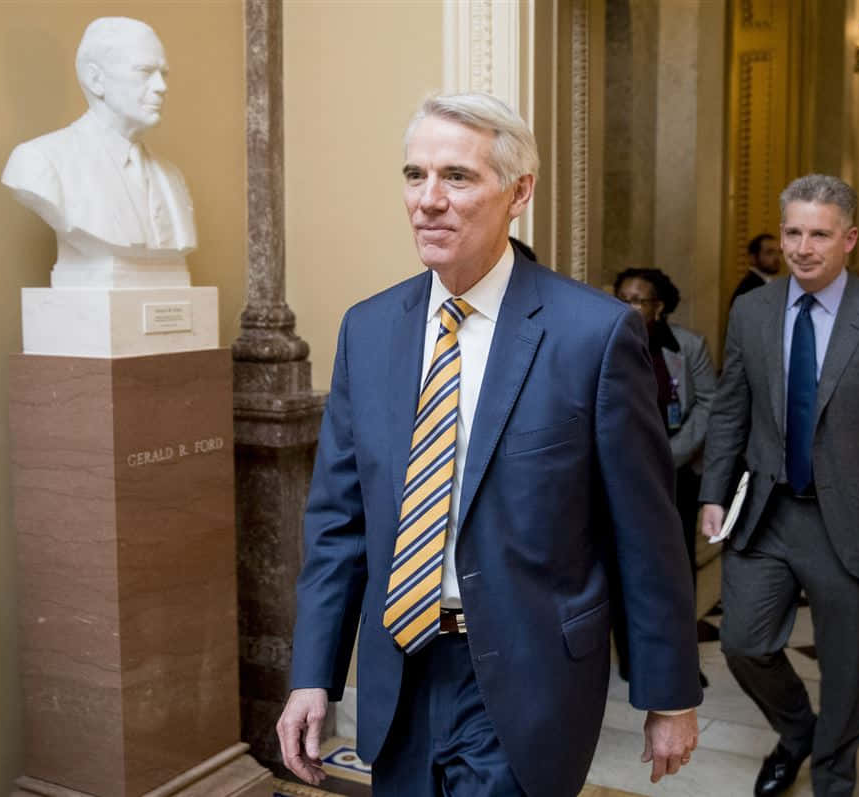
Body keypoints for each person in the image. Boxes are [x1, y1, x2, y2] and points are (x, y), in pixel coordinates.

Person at [276, 93, 701, 797]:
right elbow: (338, 526)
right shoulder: (369, 329)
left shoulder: (593, 336)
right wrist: (313, 672)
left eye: (458, 177)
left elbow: (646, 531)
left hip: (527, 676)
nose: (428, 200)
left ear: (519, 192)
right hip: (400, 671)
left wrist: (669, 692)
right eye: (415, 175)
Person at [699, 174, 859, 797]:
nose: (803, 247)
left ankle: (834, 778)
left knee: (843, 668)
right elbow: (730, 408)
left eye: (819, 235)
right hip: (766, 512)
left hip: (849, 521)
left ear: (849, 239)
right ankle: (797, 730)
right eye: (793, 232)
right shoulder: (751, 310)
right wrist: (713, 493)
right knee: (743, 643)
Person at [2, 17, 196, 279]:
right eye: (145, 71)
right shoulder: (39, 161)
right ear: (96, 79)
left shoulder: (171, 177)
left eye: (164, 74)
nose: (161, 87)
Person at [614, 267, 716, 686]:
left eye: (639, 299)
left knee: (675, 567)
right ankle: (632, 657)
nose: (630, 306)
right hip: (621, 475)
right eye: (622, 297)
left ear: (660, 305)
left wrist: (670, 455)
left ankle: (680, 658)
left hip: (676, 472)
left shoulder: (688, 347)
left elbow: (710, 403)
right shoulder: (605, 342)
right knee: (625, 567)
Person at [731, 233, 783, 305]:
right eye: (770, 252)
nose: (777, 258)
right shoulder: (750, 288)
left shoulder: (765, 283)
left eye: (780, 252)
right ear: (753, 258)